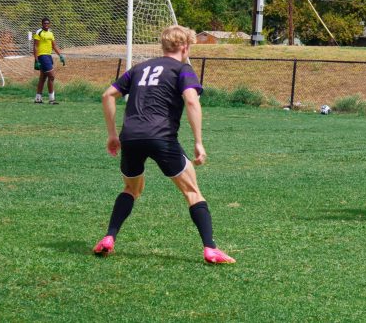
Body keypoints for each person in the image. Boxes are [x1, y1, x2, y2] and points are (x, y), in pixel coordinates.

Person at [93, 25, 236, 264]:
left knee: (131, 189)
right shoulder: (183, 69)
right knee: (192, 191)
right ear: (184, 46)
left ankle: (109, 237)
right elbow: (191, 101)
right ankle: (210, 249)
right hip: (161, 136)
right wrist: (199, 142)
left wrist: (112, 134)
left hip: (131, 136)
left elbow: (107, 95)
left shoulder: (139, 68)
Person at [33, 17, 65, 104]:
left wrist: (60, 55)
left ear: (49, 24)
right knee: (51, 76)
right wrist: (36, 60)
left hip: (48, 56)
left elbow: (54, 46)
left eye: (48, 23)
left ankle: (38, 99)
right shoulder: (39, 32)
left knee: (43, 78)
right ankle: (51, 99)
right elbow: (35, 46)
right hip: (42, 56)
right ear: (42, 24)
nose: (46, 25)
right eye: (45, 23)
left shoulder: (50, 33)